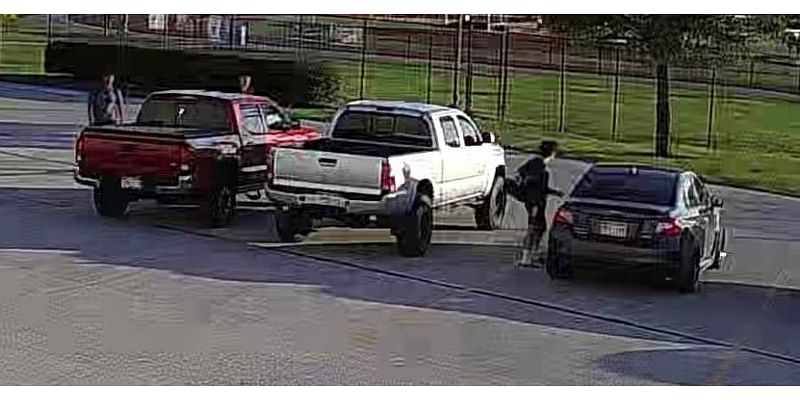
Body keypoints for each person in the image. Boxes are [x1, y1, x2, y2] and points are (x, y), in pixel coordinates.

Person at [513, 140, 564, 268]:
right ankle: (527, 257)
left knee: (541, 228)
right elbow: (540, 187)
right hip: (535, 202)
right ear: (552, 153)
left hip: (535, 201)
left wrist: (554, 193)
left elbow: (520, 173)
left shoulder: (535, 163)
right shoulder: (540, 168)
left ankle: (534, 254)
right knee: (533, 228)